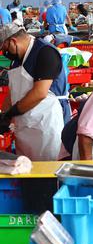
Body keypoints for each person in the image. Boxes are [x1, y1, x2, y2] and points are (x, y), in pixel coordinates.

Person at [0, 24, 70, 160]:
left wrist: (11, 113)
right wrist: (4, 115)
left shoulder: (45, 52)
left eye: (5, 49)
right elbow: (13, 91)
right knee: (25, 168)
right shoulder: (17, 59)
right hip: (25, 125)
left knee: (48, 167)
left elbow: (40, 92)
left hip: (47, 121)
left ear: (13, 41)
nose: (5, 53)